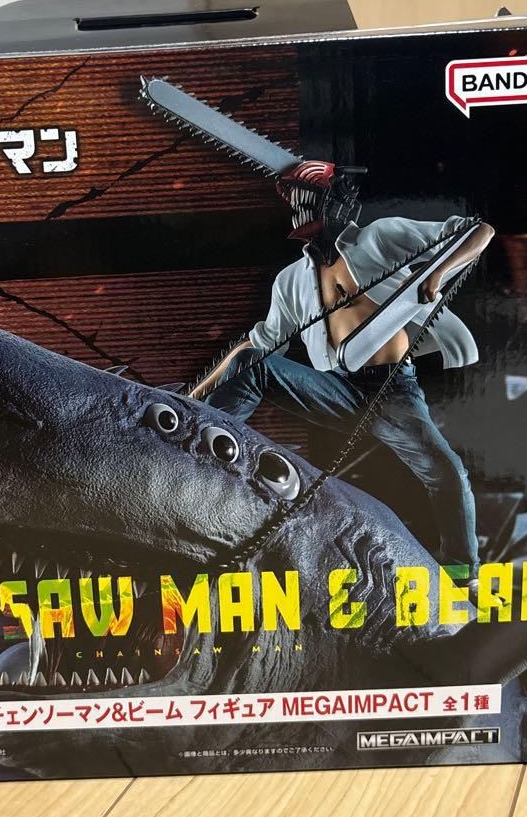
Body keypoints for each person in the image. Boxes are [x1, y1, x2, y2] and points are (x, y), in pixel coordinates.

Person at [192, 160, 494, 571]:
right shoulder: (290, 281)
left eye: (309, 200)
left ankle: (462, 571)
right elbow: (256, 345)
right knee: (253, 364)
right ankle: (198, 453)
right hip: (336, 390)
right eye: (296, 202)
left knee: (447, 473)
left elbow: (479, 231)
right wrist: (194, 397)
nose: (301, 210)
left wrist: (437, 274)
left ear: (334, 202)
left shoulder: (380, 238)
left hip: (391, 391)